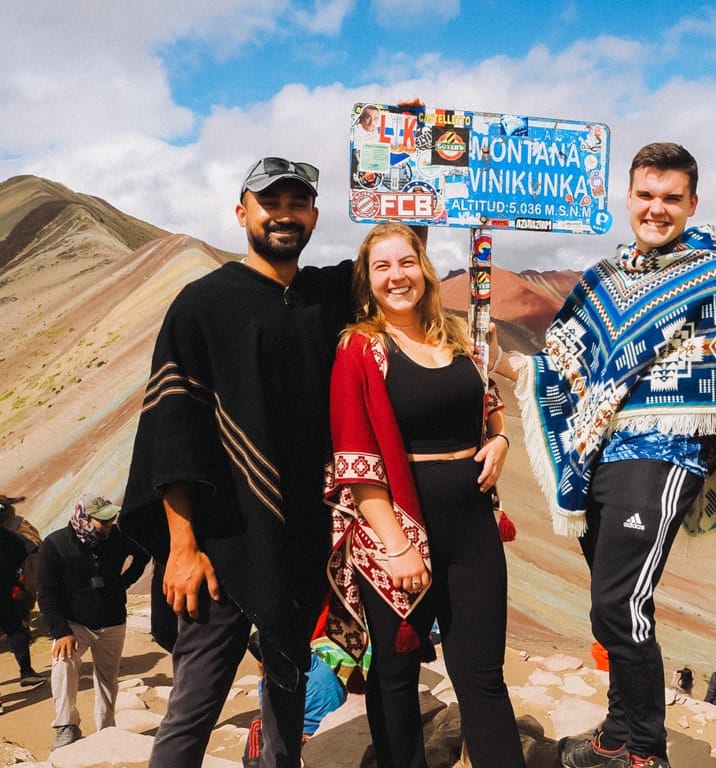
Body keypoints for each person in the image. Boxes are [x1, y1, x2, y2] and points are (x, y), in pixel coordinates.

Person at [491, 142, 716, 768]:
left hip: (667, 456)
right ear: (627, 197)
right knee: (616, 602)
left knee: (620, 602)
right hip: (602, 457)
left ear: (692, 202)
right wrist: (497, 361)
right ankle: (618, 732)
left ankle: (645, 753)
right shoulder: (605, 280)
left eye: (670, 198)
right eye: (645, 196)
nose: (656, 209)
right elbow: (565, 367)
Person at [120, 155, 353, 768]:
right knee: (192, 710)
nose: (283, 215)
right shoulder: (203, 304)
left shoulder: (326, 299)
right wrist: (181, 546)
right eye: (270, 203)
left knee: (286, 706)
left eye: (296, 204)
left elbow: (402, 257)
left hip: (301, 543)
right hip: (220, 550)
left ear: (314, 216)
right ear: (242, 212)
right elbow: (173, 435)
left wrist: (422, 165)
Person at [321, 221, 525, 768]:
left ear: (424, 268)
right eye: (381, 266)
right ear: (367, 280)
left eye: (406, 262)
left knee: (482, 673)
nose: (397, 276)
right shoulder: (360, 348)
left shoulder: (458, 337)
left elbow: (487, 404)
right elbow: (355, 457)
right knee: (395, 673)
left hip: (473, 525)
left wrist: (501, 438)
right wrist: (396, 545)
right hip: (397, 525)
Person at [37, 494, 149, 750]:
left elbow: (142, 555)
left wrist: (124, 582)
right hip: (74, 624)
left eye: (112, 520)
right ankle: (66, 726)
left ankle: (107, 728)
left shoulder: (118, 538)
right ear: (83, 518)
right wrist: (61, 630)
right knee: (63, 664)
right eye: (103, 521)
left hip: (113, 621)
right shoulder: (55, 545)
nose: (109, 526)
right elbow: (46, 593)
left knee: (108, 677)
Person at [243, 631, 347, 766]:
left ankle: (253, 764)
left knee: (258, 723)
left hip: (308, 732)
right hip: (336, 717)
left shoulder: (277, 678)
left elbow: (270, 715)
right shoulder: (317, 662)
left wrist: (264, 674)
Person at [1, 502, 46, 698]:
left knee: (16, 628)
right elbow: (27, 547)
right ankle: (27, 672)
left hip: (8, 589)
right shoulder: (9, 536)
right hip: (5, 590)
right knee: (16, 628)